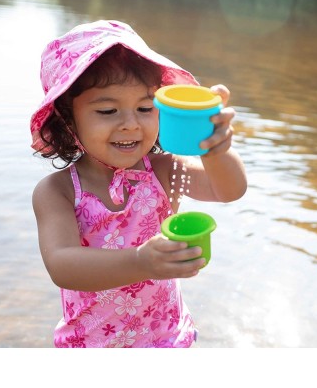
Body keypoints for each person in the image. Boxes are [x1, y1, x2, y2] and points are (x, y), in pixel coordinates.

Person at [31, 19, 247, 348]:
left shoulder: (161, 170)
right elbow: (62, 265)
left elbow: (228, 190)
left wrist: (216, 150)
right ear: (67, 119)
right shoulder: (58, 191)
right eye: (107, 110)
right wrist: (140, 262)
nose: (131, 124)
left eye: (145, 107)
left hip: (166, 338)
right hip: (91, 345)